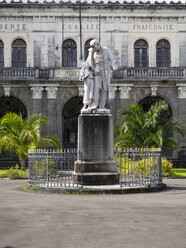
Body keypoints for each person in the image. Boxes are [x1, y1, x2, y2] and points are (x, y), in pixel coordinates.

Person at [86, 39, 118, 110]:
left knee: (105, 88)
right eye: (92, 47)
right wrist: (94, 69)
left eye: (94, 47)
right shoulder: (91, 52)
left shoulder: (106, 50)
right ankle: (95, 104)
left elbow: (112, 58)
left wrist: (114, 66)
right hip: (97, 72)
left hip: (105, 71)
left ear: (98, 45)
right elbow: (88, 63)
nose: (93, 48)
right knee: (97, 88)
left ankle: (102, 106)